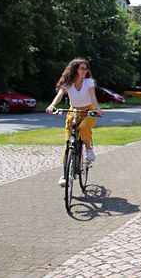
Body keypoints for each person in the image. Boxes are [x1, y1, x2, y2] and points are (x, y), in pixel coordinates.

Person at [45, 58, 104, 187]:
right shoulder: (68, 82)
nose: (85, 71)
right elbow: (60, 95)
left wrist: (98, 109)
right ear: (75, 69)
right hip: (74, 111)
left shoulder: (89, 82)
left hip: (88, 110)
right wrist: (51, 106)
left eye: (86, 68)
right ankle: (66, 175)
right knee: (69, 144)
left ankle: (88, 149)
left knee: (83, 127)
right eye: (82, 68)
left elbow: (93, 97)